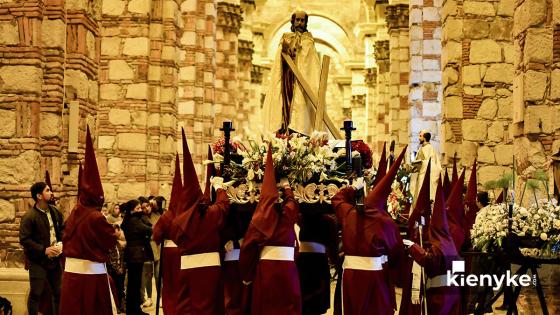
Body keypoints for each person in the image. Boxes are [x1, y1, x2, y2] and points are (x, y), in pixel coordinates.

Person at [331, 146, 407, 315]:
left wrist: (353, 188)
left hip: (351, 275)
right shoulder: (386, 222)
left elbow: (336, 199)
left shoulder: (349, 213)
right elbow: (397, 252)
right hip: (375, 278)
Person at [170, 129, 231, 315]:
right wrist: (219, 188)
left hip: (187, 270)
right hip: (210, 269)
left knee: (187, 308)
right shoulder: (208, 215)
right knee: (209, 308)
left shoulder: (177, 221)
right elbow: (223, 206)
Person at [59, 126, 118, 315]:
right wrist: (114, 232)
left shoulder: (75, 211)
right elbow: (109, 240)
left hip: (71, 276)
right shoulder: (95, 216)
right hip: (91, 276)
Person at [239, 145, 301, 315]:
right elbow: (293, 204)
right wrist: (287, 188)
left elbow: (247, 250)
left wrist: (247, 276)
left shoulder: (258, 220)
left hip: (266, 270)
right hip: (288, 270)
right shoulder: (287, 212)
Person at [403, 180, 461, 315]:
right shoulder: (450, 243)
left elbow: (430, 261)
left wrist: (413, 247)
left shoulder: (438, 245)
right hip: (453, 290)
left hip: (440, 293)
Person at [262, 10, 321, 135]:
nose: (299, 23)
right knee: (285, 106)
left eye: (302, 20)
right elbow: (279, 60)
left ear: (305, 23)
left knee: (300, 108)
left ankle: (299, 133)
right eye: (297, 20)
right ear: (293, 21)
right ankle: (285, 132)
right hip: (287, 78)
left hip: (302, 82)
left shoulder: (308, 41)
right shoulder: (285, 38)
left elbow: (311, 66)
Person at [19, 182, 64, 315]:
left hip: (55, 260)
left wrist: (61, 243)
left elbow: (61, 230)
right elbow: (24, 239)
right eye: (48, 190)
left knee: (58, 293)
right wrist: (44, 250)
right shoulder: (29, 216)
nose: (51, 192)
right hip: (38, 261)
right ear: (39, 195)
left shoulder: (55, 211)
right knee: (36, 294)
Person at [153, 153, 182, 315]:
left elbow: (156, 235)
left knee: (169, 285)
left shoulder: (167, 215)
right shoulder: (188, 214)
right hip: (184, 253)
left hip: (169, 253)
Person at [121, 199, 153, 315]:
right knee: (134, 284)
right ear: (132, 210)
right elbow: (148, 229)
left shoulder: (129, 220)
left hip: (133, 254)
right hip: (135, 255)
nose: (140, 210)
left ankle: (134, 309)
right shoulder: (134, 220)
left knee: (134, 283)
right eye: (138, 208)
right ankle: (134, 310)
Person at [410, 130, 442, 200]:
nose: (419, 138)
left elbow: (432, 163)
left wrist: (421, 163)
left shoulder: (430, 148)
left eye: (420, 136)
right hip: (419, 176)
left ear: (424, 138)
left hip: (425, 177)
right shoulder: (421, 148)